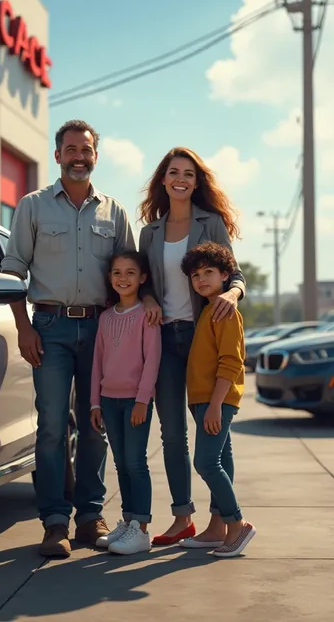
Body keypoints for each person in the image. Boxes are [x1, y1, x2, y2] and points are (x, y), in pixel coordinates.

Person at [1, 119, 138, 558]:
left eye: (87, 150)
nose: (79, 156)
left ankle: (89, 517)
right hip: (49, 328)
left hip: (103, 330)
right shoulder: (33, 206)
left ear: (96, 156)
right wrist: (23, 327)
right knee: (52, 426)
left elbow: (131, 275)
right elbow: (12, 270)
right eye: (71, 149)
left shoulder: (114, 212)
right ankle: (54, 522)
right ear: (58, 155)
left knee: (97, 423)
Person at [138, 147, 246, 545]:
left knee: (214, 429)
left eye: (188, 173)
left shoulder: (211, 223)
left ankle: (221, 523)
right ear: (163, 180)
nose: (180, 179)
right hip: (165, 338)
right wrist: (147, 297)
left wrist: (233, 295)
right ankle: (183, 516)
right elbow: (145, 281)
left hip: (205, 334)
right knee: (171, 434)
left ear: (196, 182)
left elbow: (233, 273)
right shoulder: (149, 232)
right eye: (173, 172)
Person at [178, 241, 256, 557]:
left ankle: (237, 524)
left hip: (217, 400)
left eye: (209, 272)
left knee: (206, 462)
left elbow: (231, 362)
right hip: (203, 400)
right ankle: (218, 530)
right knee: (220, 459)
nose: (202, 280)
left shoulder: (224, 311)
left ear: (226, 275)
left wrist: (214, 404)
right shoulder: (208, 310)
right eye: (196, 275)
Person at [90, 251, 161, 555]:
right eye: (117, 273)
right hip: (108, 401)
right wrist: (94, 403)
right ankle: (129, 520)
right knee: (120, 464)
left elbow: (152, 360)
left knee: (135, 462)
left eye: (131, 272)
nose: (123, 278)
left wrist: (143, 400)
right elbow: (97, 362)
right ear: (110, 278)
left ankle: (141, 530)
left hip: (135, 402)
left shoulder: (147, 316)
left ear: (142, 278)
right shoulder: (105, 317)